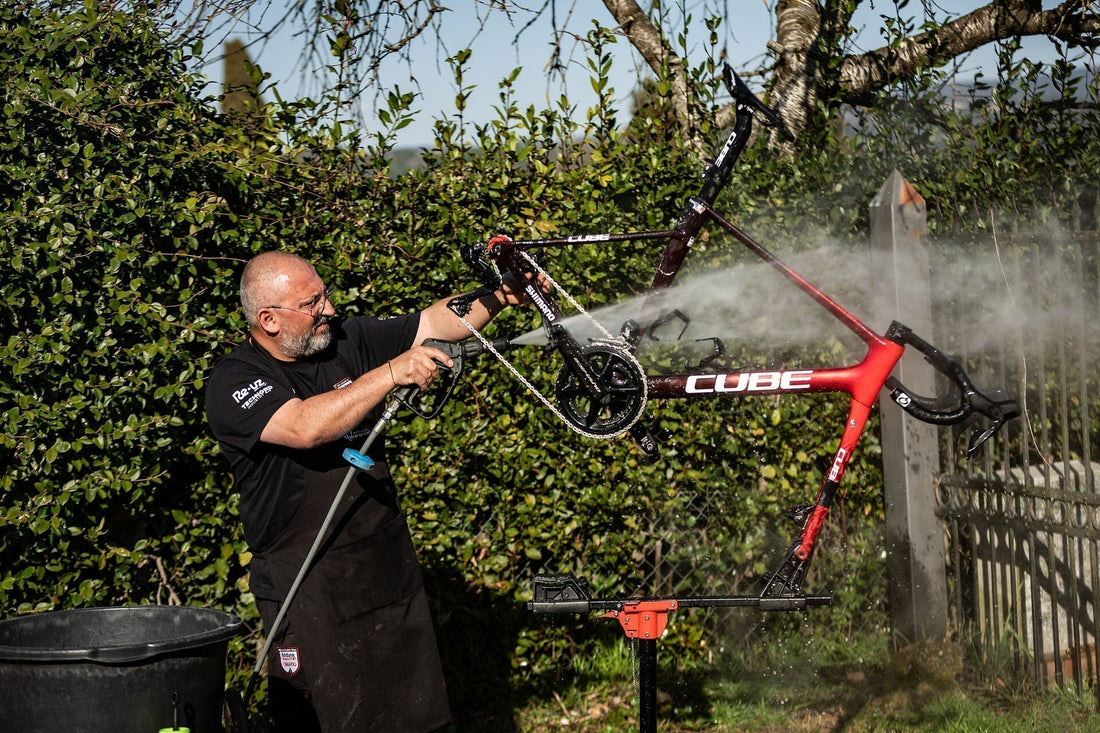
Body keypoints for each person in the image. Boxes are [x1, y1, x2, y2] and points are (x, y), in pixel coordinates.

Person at [205, 250, 534, 732]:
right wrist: (390, 373)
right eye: (312, 302)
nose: (329, 309)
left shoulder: (344, 339)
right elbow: (303, 427)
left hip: (384, 570)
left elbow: (430, 323)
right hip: (306, 586)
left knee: (415, 716)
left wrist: (501, 294)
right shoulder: (235, 380)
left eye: (326, 294)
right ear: (268, 320)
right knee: (319, 717)